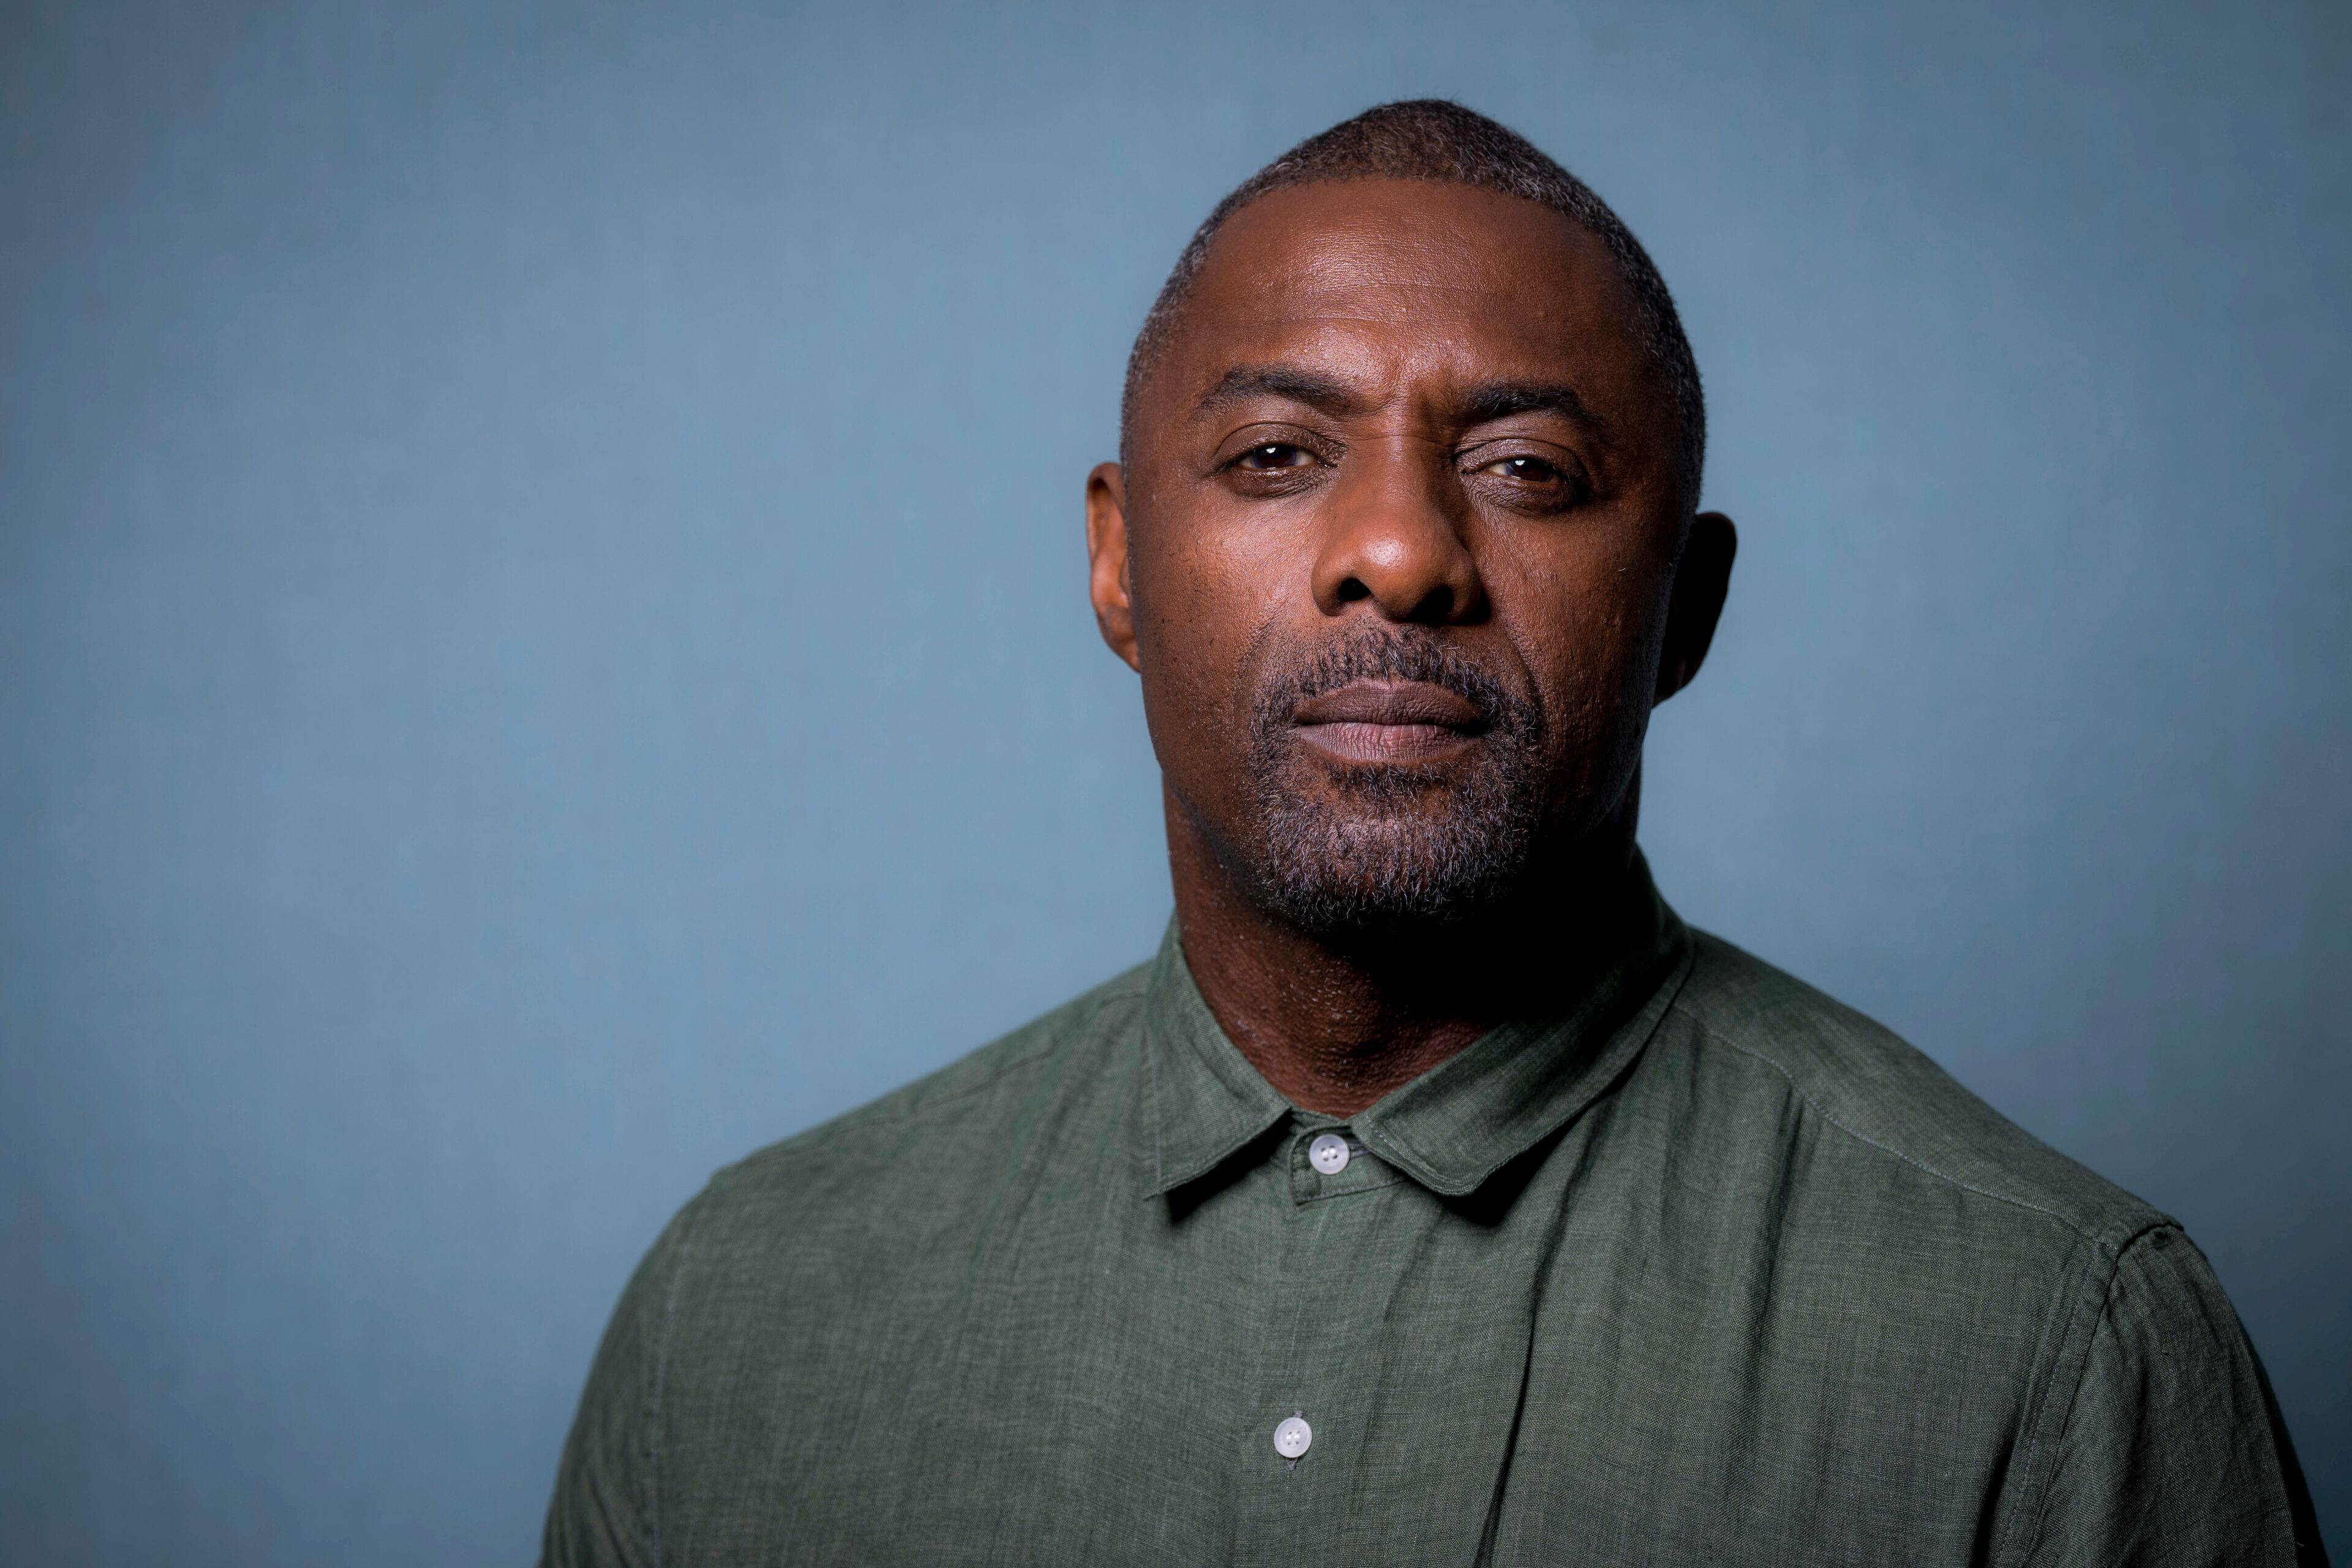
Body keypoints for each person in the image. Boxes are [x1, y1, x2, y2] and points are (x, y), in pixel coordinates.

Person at [540, 100, 2323, 1565]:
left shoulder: (2057, 1347)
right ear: (1117, 562)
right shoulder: (739, 1319)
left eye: (1527, 468)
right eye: (1275, 456)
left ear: (1688, 609)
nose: (1398, 553)